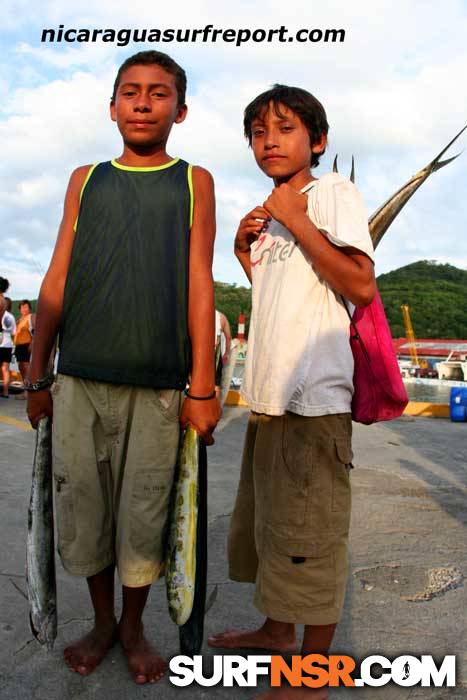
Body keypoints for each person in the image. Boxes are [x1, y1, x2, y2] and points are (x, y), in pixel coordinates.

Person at [27, 50, 220, 685]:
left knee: (143, 513)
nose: (143, 103)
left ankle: (134, 626)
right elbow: (57, 277)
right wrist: (37, 373)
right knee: (86, 508)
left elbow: (198, 284)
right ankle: (103, 620)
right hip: (79, 377)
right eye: (130, 93)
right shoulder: (86, 179)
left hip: (161, 386)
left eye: (158, 94)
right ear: (112, 108)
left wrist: (202, 384)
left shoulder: (194, 181)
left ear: (180, 110)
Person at [208, 85, 376, 699]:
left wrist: (298, 218)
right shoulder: (277, 210)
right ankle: (278, 634)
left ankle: (312, 673)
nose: (268, 140)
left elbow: (359, 283)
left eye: (283, 128)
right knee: (275, 531)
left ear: (318, 140)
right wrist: (245, 251)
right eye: (257, 132)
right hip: (270, 402)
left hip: (313, 405)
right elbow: (288, 296)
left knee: (313, 543)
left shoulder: (331, 192)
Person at [14, 299, 35, 398]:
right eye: (22, 307)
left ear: (29, 308)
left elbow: (35, 331)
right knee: (21, 368)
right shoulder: (19, 320)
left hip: (26, 345)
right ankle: (25, 390)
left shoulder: (31, 317)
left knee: (26, 369)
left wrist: (32, 342)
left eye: (26, 307)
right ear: (19, 309)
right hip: (18, 346)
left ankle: (27, 393)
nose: (24, 309)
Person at [1, 297, 16, 398]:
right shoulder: (11, 316)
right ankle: (6, 392)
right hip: (8, 344)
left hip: (1, 343)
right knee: (6, 369)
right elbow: (14, 332)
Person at [214, 309, 232, 399]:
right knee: (216, 384)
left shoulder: (195, 313)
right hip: (214, 353)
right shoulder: (221, 317)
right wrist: (226, 353)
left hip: (198, 353)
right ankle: (215, 409)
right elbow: (228, 337)